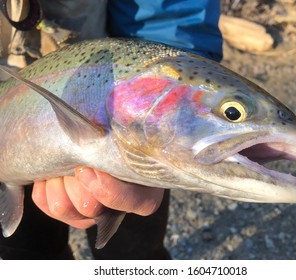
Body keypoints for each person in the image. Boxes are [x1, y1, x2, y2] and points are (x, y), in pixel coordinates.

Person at [0, 0, 222, 259]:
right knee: (28, 256)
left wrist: (177, 68)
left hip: (115, 98)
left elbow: (168, 11)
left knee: (133, 256)